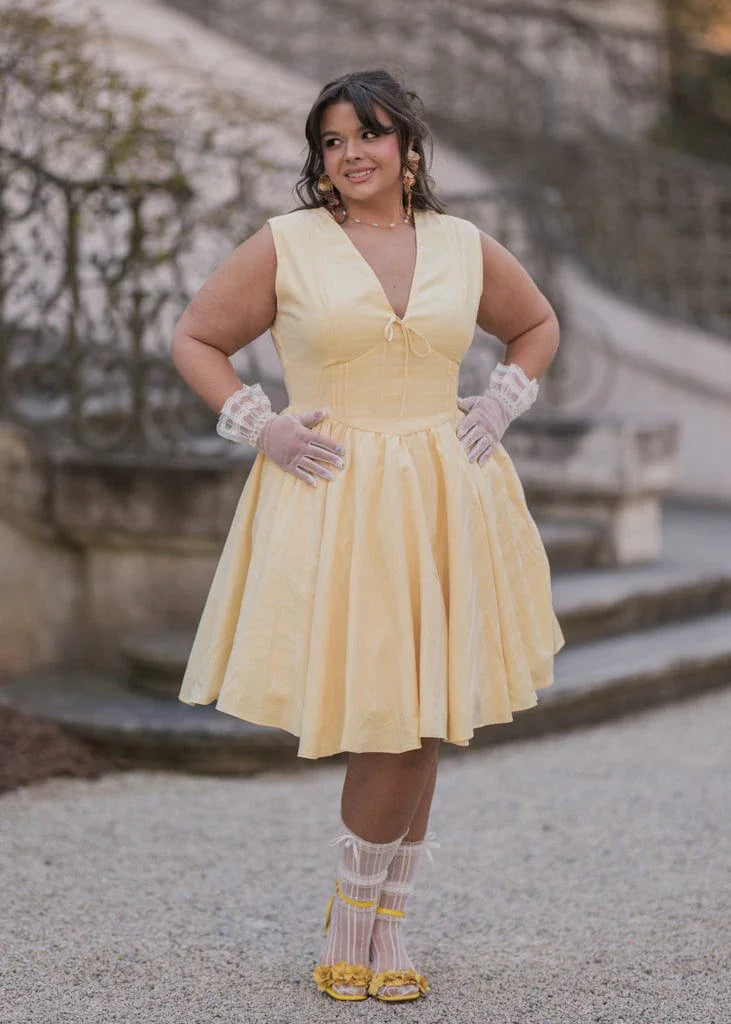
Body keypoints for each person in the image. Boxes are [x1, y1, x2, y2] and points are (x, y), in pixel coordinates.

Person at [172, 67, 565, 1003]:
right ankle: (350, 928)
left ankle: (385, 930)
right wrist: (261, 427)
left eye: (369, 134)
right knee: (387, 714)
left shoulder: (461, 244)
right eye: (332, 140)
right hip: (338, 497)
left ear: (407, 147)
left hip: (445, 492)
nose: (350, 153)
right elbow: (195, 338)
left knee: (421, 716)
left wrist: (500, 402)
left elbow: (536, 324)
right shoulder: (289, 243)